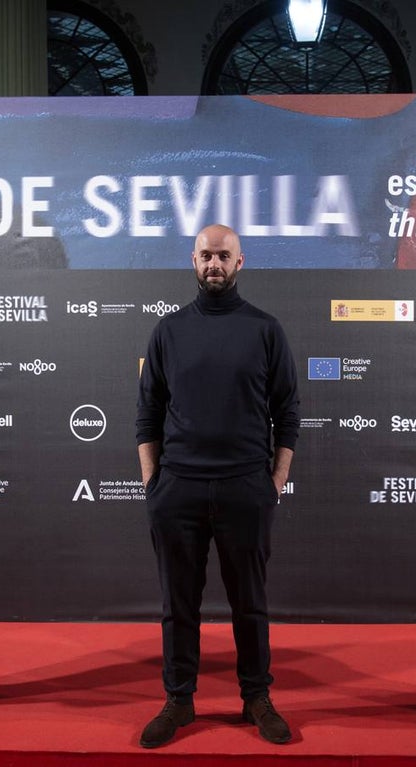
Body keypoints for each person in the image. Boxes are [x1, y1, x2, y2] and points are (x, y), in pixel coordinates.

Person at [135, 224, 300, 748]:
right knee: (177, 603)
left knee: (249, 602)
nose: (214, 264)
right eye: (206, 255)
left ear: (240, 262)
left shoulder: (266, 330)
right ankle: (179, 700)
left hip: (245, 488)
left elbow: (288, 411)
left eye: (223, 256)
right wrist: (152, 483)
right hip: (178, 489)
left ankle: (256, 697)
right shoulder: (168, 330)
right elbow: (148, 414)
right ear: (193, 260)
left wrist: (274, 479)